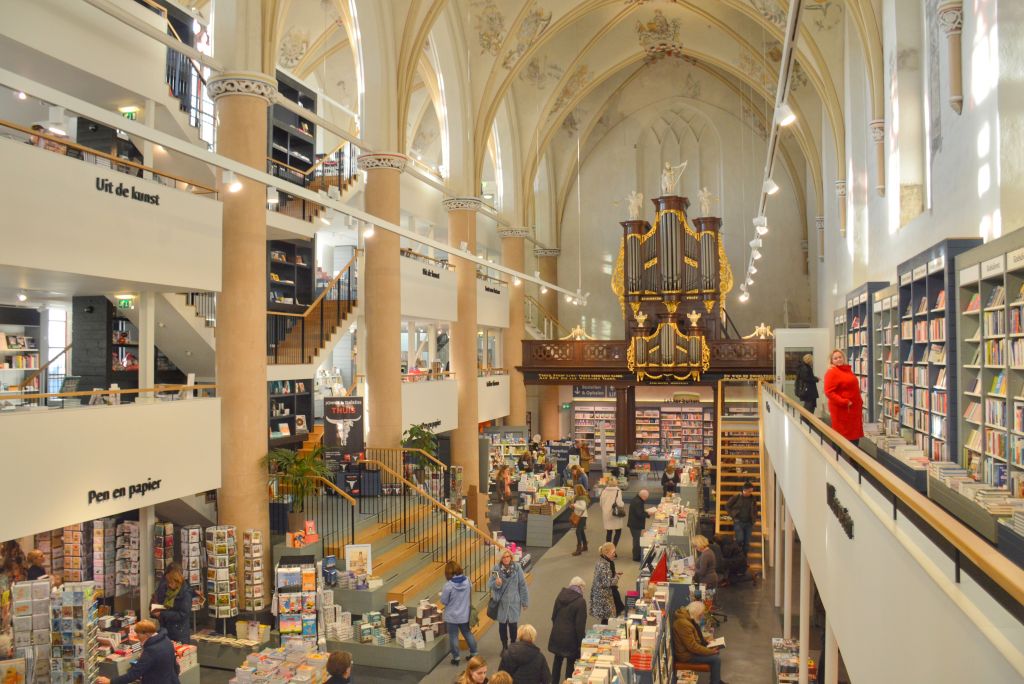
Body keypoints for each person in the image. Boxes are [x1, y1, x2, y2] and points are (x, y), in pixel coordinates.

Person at [95, 620, 180, 684]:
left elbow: (133, 675)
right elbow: (174, 665)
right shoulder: (166, 640)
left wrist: (110, 681)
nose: (137, 637)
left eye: (138, 635)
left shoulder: (151, 651)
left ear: (146, 634)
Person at [671, 602, 726, 684]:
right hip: (686, 656)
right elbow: (692, 647)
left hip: (689, 651)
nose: (702, 616)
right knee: (716, 659)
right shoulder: (683, 624)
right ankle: (715, 681)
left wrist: (706, 640)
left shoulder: (687, 619)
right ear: (696, 613)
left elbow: (693, 638)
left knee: (715, 654)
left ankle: (716, 680)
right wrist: (710, 651)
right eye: (701, 614)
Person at [488, 549, 528, 652]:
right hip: (501, 602)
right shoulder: (496, 569)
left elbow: (522, 585)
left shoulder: (517, 568)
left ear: (511, 557)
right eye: (504, 557)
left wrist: (524, 602)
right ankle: (504, 646)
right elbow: (489, 584)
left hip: (514, 602)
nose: (506, 559)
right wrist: (497, 583)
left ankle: (513, 644)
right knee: (502, 625)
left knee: (513, 625)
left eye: (508, 557)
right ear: (501, 559)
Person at [548, 577, 587, 683]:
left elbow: (553, 616)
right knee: (570, 663)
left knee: (557, 661)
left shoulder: (560, 595)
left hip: (557, 634)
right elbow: (580, 626)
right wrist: (582, 643)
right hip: (571, 639)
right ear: (580, 587)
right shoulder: (580, 602)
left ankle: (554, 681)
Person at [823, 348, 864, 444]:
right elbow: (829, 392)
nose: (838, 359)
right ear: (831, 361)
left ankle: (854, 458)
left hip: (853, 410)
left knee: (854, 437)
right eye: (835, 358)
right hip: (842, 410)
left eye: (840, 357)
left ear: (843, 358)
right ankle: (838, 458)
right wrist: (844, 402)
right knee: (841, 437)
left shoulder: (847, 370)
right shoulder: (832, 372)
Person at [441, 560, 477, 666]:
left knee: (453, 636)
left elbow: (444, 601)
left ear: (448, 573)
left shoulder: (448, 586)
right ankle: (474, 653)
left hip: (452, 617)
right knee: (467, 634)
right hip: (465, 615)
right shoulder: (468, 581)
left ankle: (456, 658)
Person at [152, 563, 193, 644]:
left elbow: (182, 614)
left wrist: (162, 614)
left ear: (177, 581)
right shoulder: (165, 588)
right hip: (165, 628)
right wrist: (155, 609)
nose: (169, 585)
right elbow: (158, 600)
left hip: (179, 632)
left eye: (171, 583)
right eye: (168, 582)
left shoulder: (185, 594)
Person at [725, 482, 759, 560]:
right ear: (744, 490)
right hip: (738, 521)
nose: (750, 493)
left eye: (751, 491)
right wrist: (732, 515)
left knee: (747, 542)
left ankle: (744, 557)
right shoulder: (736, 497)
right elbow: (727, 506)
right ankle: (738, 556)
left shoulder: (753, 498)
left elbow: (755, 509)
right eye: (749, 491)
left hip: (749, 523)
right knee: (739, 540)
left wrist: (754, 518)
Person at [589, 542, 619, 625]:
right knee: (607, 619)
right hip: (603, 596)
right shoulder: (604, 565)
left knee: (606, 618)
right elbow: (607, 583)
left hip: (600, 594)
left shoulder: (602, 561)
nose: (615, 554)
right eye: (613, 552)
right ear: (607, 553)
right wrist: (617, 577)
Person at [598, 472, 625, 547]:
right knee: (618, 531)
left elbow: (601, 503)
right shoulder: (618, 491)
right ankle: (613, 548)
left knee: (609, 532)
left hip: (606, 514)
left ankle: (608, 549)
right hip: (615, 514)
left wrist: (605, 509)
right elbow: (619, 503)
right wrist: (623, 504)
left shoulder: (604, 491)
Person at [627, 489, 654, 561]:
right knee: (636, 541)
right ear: (643, 496)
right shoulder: (638, 502)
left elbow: (638, 511)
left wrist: (645, 512)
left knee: (637, 540)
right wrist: (648, 513)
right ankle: (636, 557)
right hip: (635, 524)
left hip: (634, 523)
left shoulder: (636, 499)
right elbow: (639, 514)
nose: (646, 499)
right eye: (646, 497)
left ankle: (637, 554)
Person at [571, 484, 589, 556]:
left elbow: (582, 508)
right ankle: (585, 546)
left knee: (578, 531)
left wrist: (574, 505)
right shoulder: (579, 498)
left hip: (582, 517)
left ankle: (579, 549)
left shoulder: (582, 498)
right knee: (581, 531)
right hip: (581, 516)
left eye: (575, 490)